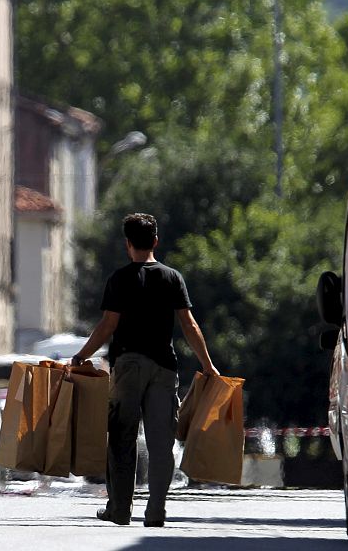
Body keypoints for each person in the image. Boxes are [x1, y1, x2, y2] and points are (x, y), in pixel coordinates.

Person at [71, 213, 218, 528]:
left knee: (122, 438)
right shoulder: (172, 278)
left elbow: (108, 325)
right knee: (161, 442)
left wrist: (82, 356)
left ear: (128, 244)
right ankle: (155, 511)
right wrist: (208, 365)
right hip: (163, 368)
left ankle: (120, 508)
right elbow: (189, 325)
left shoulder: (120, 279)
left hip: (127, 366)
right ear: (155, 241)